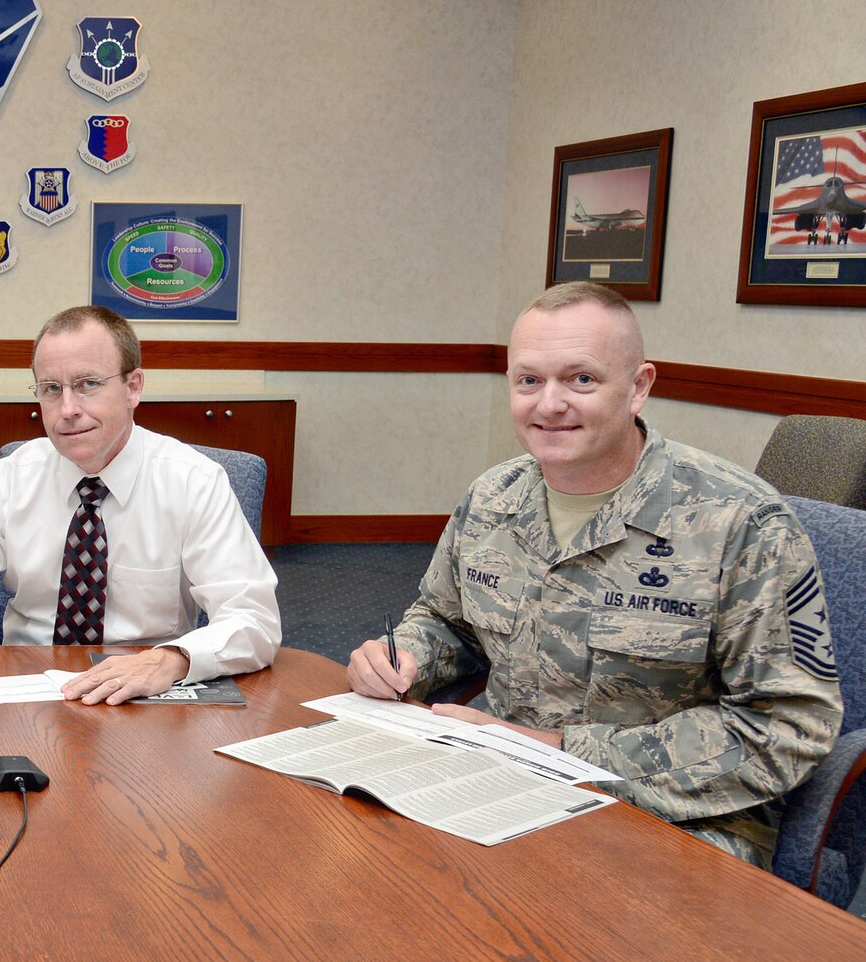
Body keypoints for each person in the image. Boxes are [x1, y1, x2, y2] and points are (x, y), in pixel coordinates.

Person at [347, 282, 841, 865]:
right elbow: (446, 622)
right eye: (529, 380)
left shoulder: (741, 524)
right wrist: (401, 657)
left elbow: (787, 726)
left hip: (674, 816)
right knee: (365, 863)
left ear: (639, 388)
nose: (549, 404)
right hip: (496, 780)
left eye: (581, 379)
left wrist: (563, 751)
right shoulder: (492, 499)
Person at [0, 305, 280, 704]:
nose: (68, 409)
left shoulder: (193, 481)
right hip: (26, 692)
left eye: (88, 383)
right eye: (51, 389)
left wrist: (172, 660)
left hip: (144, 695)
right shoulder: (9, 478)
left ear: (133, 388)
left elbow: (255, 620)